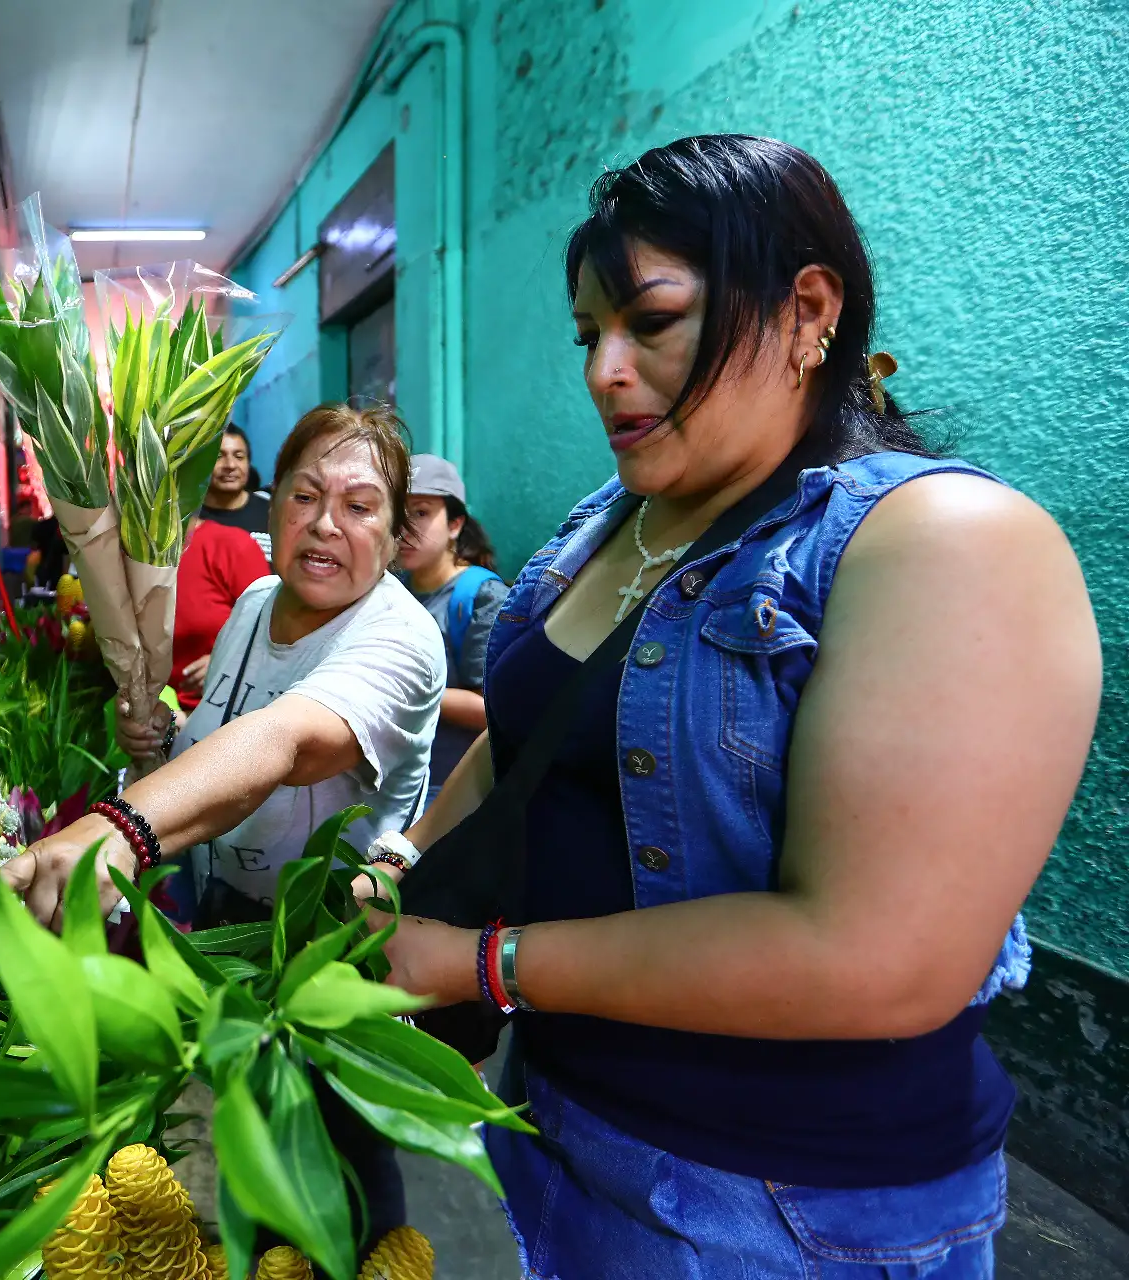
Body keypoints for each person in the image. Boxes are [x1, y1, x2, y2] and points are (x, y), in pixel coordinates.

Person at [369, 135, 1099, 1277]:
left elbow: (878, 955)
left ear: (809, 309)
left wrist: (483, 962)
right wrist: (395, 864)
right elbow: (521, 750)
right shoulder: (610, 519)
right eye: (587, 336)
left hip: (783, 1207)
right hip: (555, 1127)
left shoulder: (945, 544)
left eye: (649, 321)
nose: (603, 370)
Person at [0, 401, 446, 1244]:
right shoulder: (257, 602)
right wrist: (155, 738)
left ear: (396, 531)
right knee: (253, 1154)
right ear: (276, 505)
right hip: (233, 926)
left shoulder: (400, 638)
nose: (325, 525)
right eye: (306, 496)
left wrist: (116, 828)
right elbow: (217, 739)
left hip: (331, 948)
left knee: (338, 1167)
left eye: (359, 505)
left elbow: (281, 743)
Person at [397, 454, 506, 799]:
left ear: (455, 524)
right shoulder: (394, 591)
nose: (405, 529)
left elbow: (493, 710)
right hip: (401, 784)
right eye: (397, 513)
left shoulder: (482, 596)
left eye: (422, 513)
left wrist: (399, 690)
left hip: (455, 790)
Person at [171, 514, 268, 714]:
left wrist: (227, 662)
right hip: (146, 714)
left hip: (221, 713)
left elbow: (272, 632)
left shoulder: (230, 545)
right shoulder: (121, 549)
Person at [201, 424, 273, 559]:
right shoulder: (187, 518)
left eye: (239, 457)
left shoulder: (272, 513)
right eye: (219, 456)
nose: (230, 465)